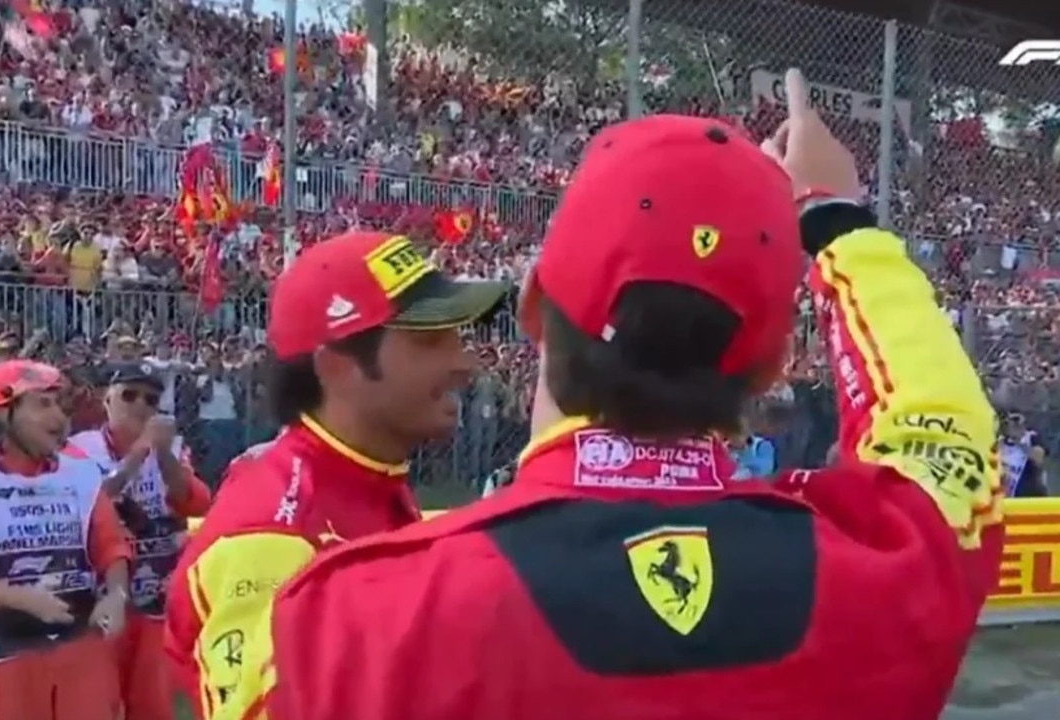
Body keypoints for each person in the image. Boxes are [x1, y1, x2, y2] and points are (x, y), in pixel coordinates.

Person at [220, 70, 1004, 720]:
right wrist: (839, 221)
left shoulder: (358, 625)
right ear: (775, 367)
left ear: (531, 304)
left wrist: (301, 474)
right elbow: (942, 441)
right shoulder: (886, 574)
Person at [163, 230, 508, 718]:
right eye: (430, 340)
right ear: (337, 367)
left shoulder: (365, 476)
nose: (464, 362)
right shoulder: (273, 535)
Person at [0, 359, 133, 720]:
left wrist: (116, 595)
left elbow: (112, 547)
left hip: (82, 651)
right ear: (3, 414)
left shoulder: (84, 475)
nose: (59, 417)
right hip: (6, 657)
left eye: (59, 403)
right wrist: (20, 597)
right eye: (42, 404)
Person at [70, 364, 213, 720]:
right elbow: (93, 502)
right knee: (97, 702)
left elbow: (194, 502)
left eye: (151, 399)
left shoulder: (173, 449)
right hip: (99, 597)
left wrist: (162, 455)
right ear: (107, 399)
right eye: (129, 395)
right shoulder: (79, 448)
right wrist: (139, 452)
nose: (140, 405)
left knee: (152, 703)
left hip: (153, 595)